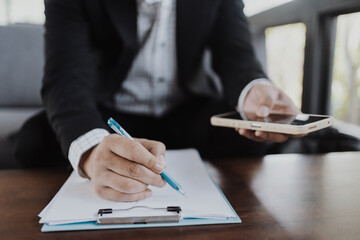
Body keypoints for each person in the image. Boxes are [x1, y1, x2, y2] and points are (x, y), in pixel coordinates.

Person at [16, 0, 300, 202]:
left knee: (249, 136)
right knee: (34, 140)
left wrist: (255, 91)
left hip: (187, 112)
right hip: (112, 119)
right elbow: (65, 79)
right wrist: (91, 154)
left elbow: (237, 56)